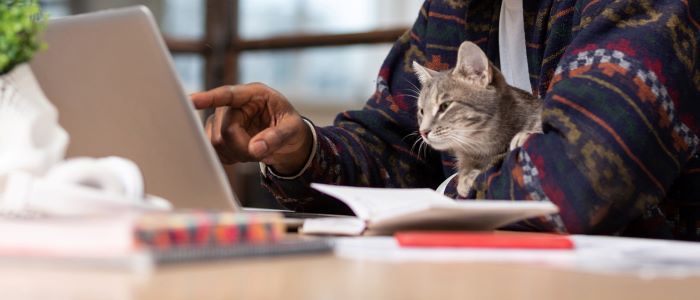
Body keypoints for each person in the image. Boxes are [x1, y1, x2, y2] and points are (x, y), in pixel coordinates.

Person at [191, 0, 700, 240]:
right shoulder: (449, 9)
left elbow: (576, 184)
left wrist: (448, 194)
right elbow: (394, 142)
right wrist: (301, 147)